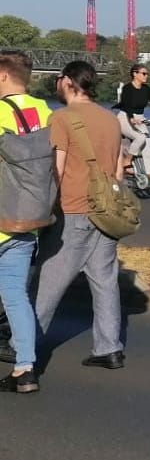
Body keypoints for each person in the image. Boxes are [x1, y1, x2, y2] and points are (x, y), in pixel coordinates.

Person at [34, 61, 126, 371]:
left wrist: (45, 210)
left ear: (69, 81)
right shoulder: (110, 119)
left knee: (47, 282)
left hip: (72, 209)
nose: (56, 84)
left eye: (58, 78)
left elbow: (55, 170)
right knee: (104, 281)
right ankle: (109, 347)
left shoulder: (61, 118)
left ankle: (26, 347)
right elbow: (117, 171)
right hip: (105, 211)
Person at [0, 51, 51, 393]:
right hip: (27, 219)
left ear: (4, 76)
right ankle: (25, 369)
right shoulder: (47, 112)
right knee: (16, 295)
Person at [112, 63, 150, 180]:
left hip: (140, 118)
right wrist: (131, 118)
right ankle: (127, 161)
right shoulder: (127, 88)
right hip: (125, 117)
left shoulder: (146, 89)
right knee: (141, 138)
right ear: (135, 74)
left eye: (147, 74)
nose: (146, 76)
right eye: (143, 73)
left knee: (148, 145)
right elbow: (126, 104)